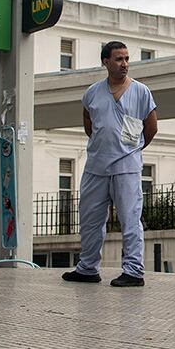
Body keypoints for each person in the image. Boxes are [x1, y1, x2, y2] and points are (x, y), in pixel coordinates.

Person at [63, 41, 158, 287]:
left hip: (126, 166)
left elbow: (151, 127)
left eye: (127, 59)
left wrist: (132, 150)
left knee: (130, 218)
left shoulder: (141, 91)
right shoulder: (92, 92)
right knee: (90, 218)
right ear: (105, 61)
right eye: (119, 59)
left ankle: (134, 271)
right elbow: (88, 119)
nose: (124, 64)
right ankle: (87, 268)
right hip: (96, 165)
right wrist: (101, 143)